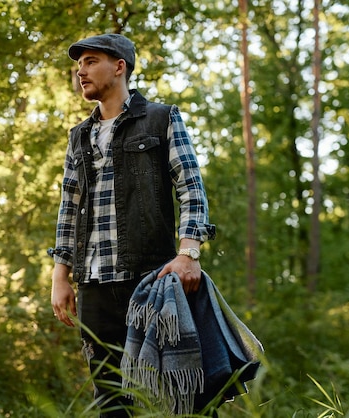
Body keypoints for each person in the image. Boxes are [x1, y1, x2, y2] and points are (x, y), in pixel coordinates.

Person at [49, 33, 216, 417]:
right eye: (79, 64)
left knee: (181, 394)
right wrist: (61, 274)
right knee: (111, 401)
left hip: (152, 282)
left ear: (119, 66)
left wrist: (189, 252)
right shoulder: (78, 137)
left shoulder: (161, 118)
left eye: (91, 61)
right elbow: (68, 208)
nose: (81, 70)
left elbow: (192, 189)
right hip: (93, 286)